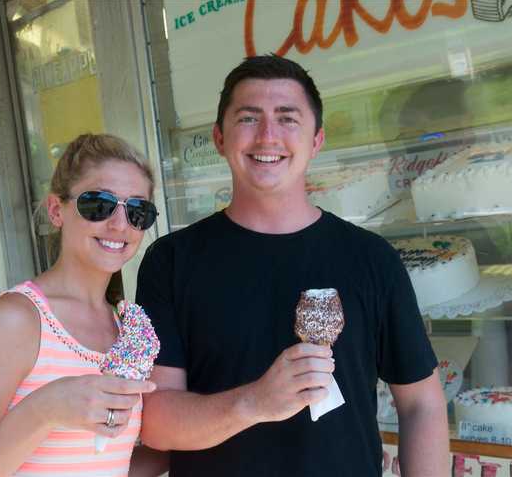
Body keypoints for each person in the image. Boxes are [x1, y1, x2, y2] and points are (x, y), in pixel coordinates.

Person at [136, 55, 449, 476]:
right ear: (219, 138)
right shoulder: (171, 261)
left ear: (316, 140)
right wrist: (256, 402)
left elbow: (422, 404)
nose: (268, 136)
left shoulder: (371, 259)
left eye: (288, 119)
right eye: (249, 118)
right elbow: (156, 421)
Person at [0, 134, 167, 477]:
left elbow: (100, 462)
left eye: (138, 211)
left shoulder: (125, 329)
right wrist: (45, 410)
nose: (120, 224)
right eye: (99, 204)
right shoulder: (15, 321)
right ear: (56, 210)